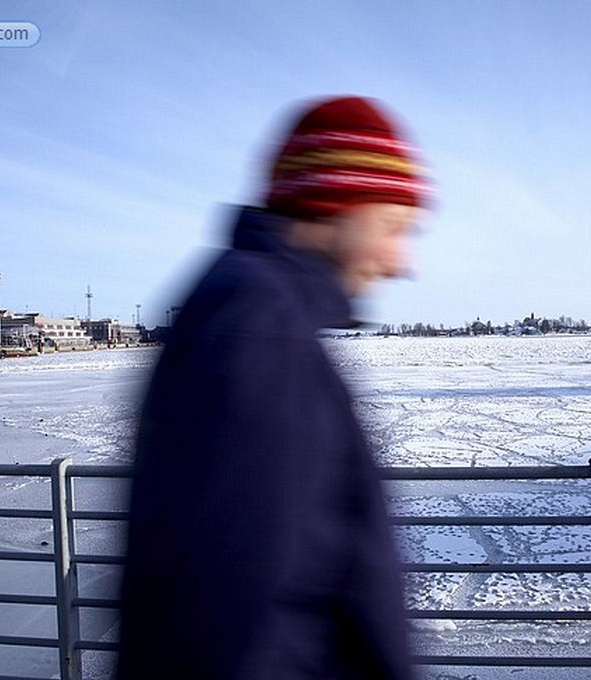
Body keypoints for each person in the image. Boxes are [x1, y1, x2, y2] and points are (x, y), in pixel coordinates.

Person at [115, 96, 432, 679]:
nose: (401, 261)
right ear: (336, 204)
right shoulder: (258, 328)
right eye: (393, 226)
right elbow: (224, 620)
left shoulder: (261, 314)